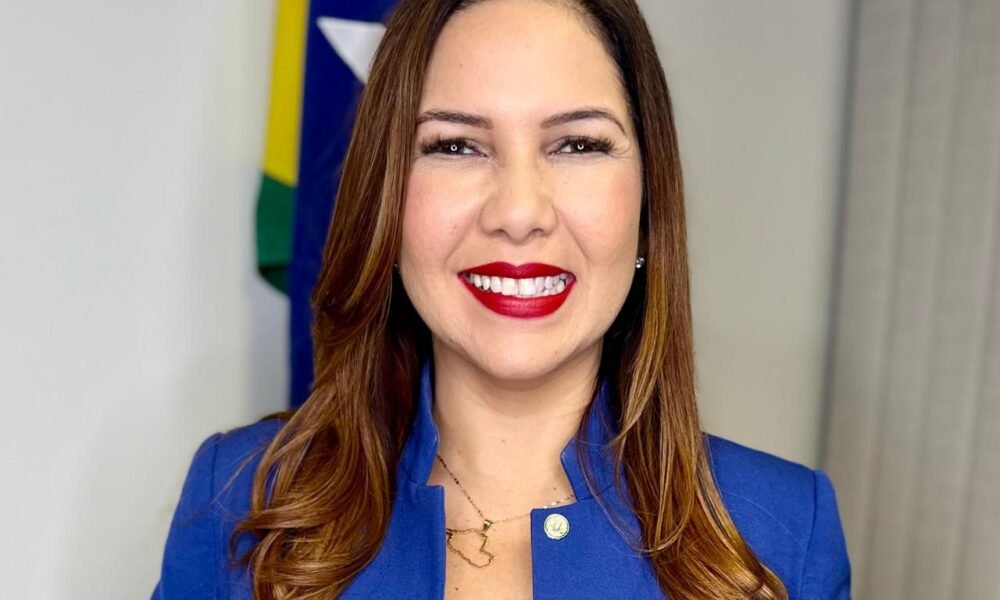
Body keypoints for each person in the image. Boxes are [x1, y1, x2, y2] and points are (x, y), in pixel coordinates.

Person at [152, 0, 851, 598]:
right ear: (387, 200)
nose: (518, 212)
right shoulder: (240, 499)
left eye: (577, 144)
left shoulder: (785, 532)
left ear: (647, 206)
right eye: (457, 146)